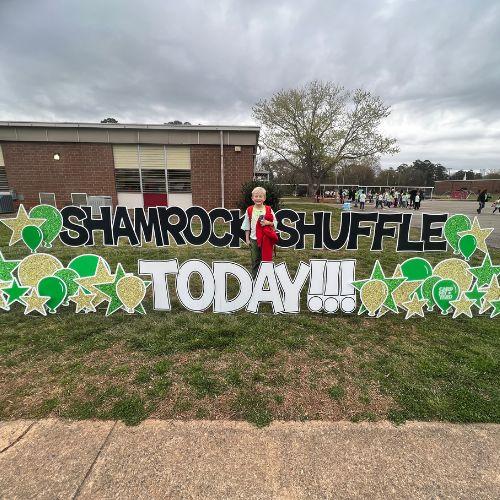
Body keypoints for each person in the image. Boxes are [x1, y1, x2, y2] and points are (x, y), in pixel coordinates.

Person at [241, 186, 278, 278]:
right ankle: (254, 278)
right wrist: (247, 239)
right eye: (256, 196)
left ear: (264, 198)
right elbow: (247, 225)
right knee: (255, 259)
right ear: (252, 198)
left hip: (266, 239)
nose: (258, 198)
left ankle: (266, 278)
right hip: (254, 239)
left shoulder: (268, 209)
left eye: (260, 196)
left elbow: (275, 223)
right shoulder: (249, 210)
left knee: (266, 259)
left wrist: (267, 222)